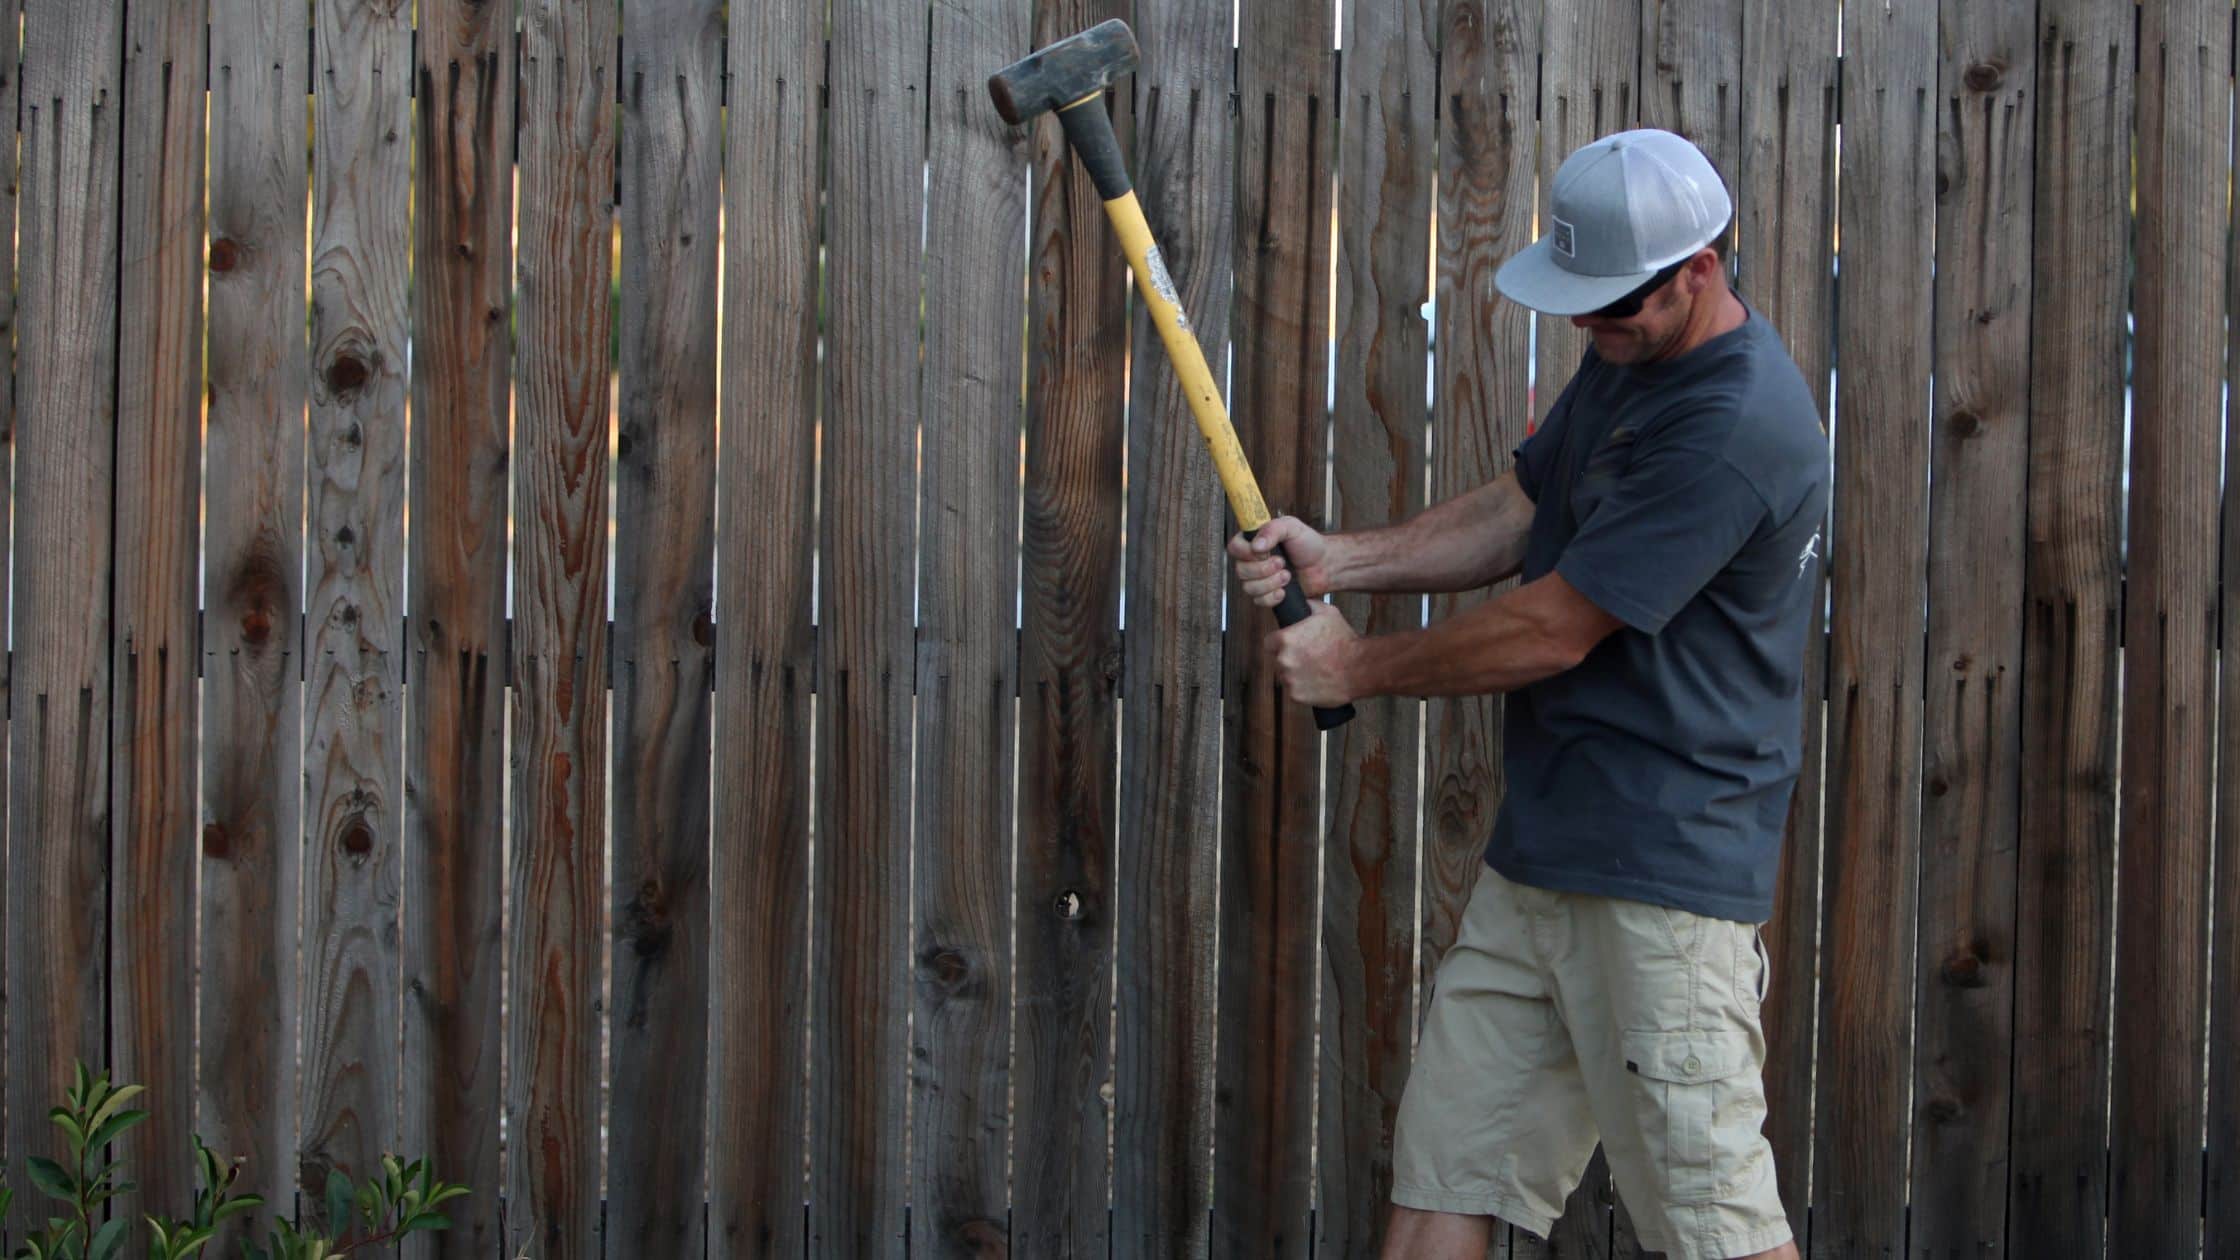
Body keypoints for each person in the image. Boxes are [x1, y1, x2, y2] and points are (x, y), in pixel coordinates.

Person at [1230, 129, 1828, 1260]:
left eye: (1612, 310)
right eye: (1579, 306)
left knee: (1713, 1228)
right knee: (1444, 1179)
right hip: (1542, 857)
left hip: (1661, 880)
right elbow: (1521, 506)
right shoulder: (1629, 360)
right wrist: (1339, 561)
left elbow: (1555, 626)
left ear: (1698, 270)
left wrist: (1356, 666)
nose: (1586, 333)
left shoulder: (1734, 427)